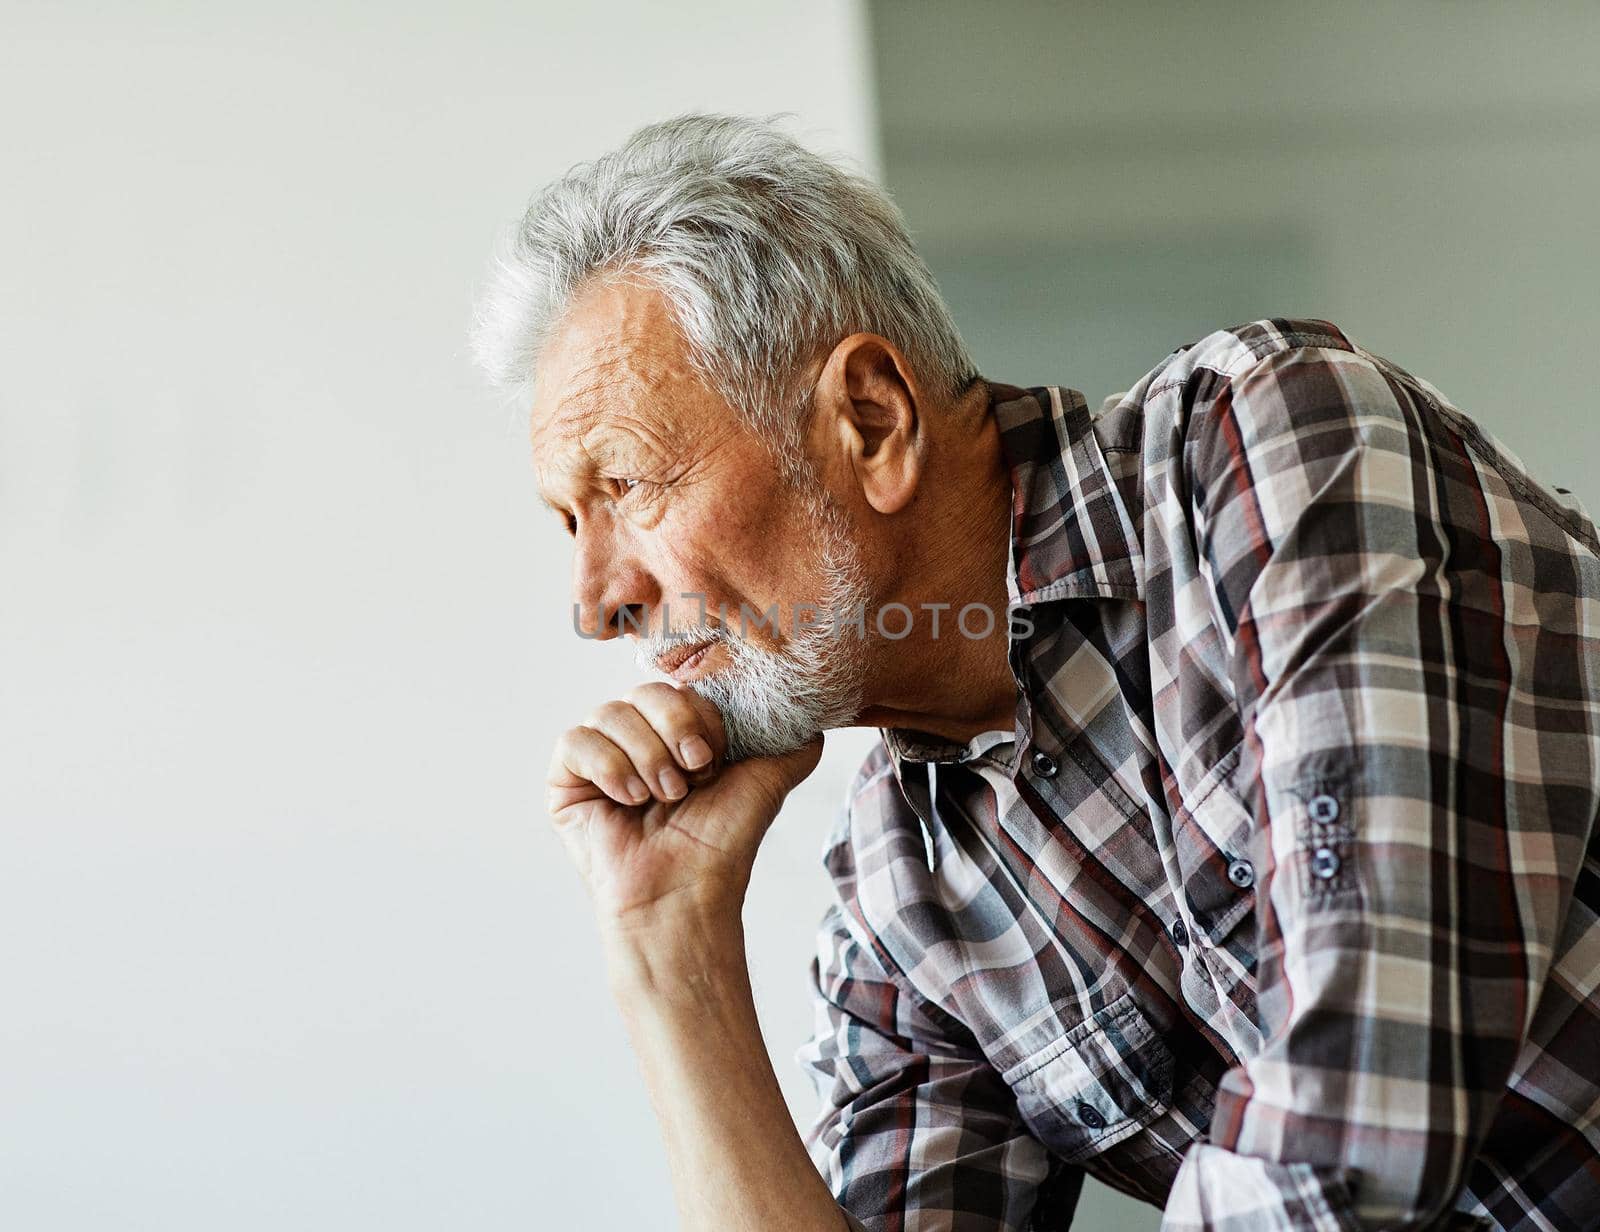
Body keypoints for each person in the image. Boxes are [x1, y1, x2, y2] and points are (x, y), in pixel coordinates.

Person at [469, 113, 1600, 1230]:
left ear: (869, 420)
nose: (596, 600)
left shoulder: (1261, 450)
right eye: (569, 522)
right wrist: (667, 946)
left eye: (628, 486)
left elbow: (1359, 1122)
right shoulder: (898, 892)